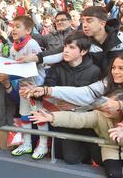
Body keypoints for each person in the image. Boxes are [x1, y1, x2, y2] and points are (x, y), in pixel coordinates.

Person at [29, 88, 123, 178]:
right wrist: (51, 117)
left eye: (111, 105)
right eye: (106, 103)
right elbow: (77, 119)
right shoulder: (100, 115)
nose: (105, 107)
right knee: (113, 174)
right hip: (110, 150)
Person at [23, 53, 123, 118]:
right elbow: (86, 93)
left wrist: (122, 105)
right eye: (113, 68)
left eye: (121, 68)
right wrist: (47, 90)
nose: (115, 72)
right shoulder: (108, 80)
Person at [19, 6, 123, 75]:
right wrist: (35, 58)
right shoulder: (83, 39)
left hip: (120, 86)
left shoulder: (121, 38)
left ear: (102, 23)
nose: (85, 25)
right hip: (96, 87)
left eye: (89, 20)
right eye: (83, 21)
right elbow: (61, 52)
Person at [44, 31, 101, 164]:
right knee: (67, 158)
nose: (66, 50)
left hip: (87, 123)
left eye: (72, 47)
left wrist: (78, 106)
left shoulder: (95, 71)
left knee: (95, 158)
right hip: (61, 120)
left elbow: (99, 100)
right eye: (65, 46)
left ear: (83, 51)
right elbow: (47, 89)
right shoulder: (56, 68)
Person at [9, 15, 48, 159]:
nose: (14, 29)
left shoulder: (32, 44)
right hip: (23, 87)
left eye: (18, 26)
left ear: (28, 30)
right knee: (24, 116)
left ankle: (43, 145)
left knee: (39, 116)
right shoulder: (13, 47)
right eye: (13, 26)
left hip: (36, 87)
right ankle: (27, 144)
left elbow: (40, 64)